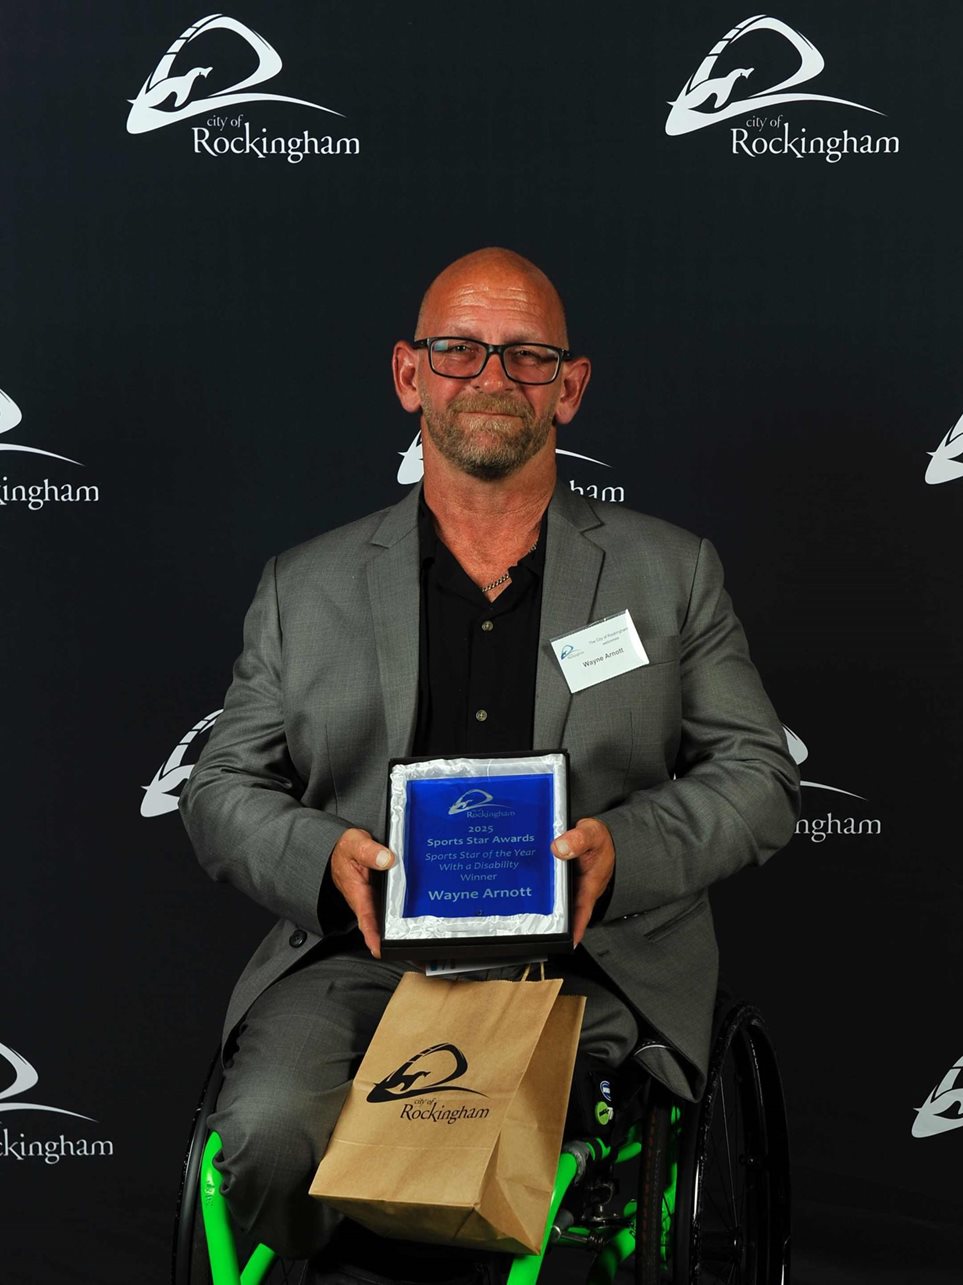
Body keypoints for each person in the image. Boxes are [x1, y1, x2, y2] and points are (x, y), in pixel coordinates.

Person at [180, 247, 799, 1271]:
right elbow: (220, 787)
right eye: (458, 350)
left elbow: (758, 778)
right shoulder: (305, 586)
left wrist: (622, 849)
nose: (492, 377)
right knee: (266, 1135)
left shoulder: (668, 573)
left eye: (526, 355)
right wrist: (323, 856)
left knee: (475, 1154)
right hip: (362, 959)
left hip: (585, 962)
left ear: (570, 387)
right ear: (409, 374)